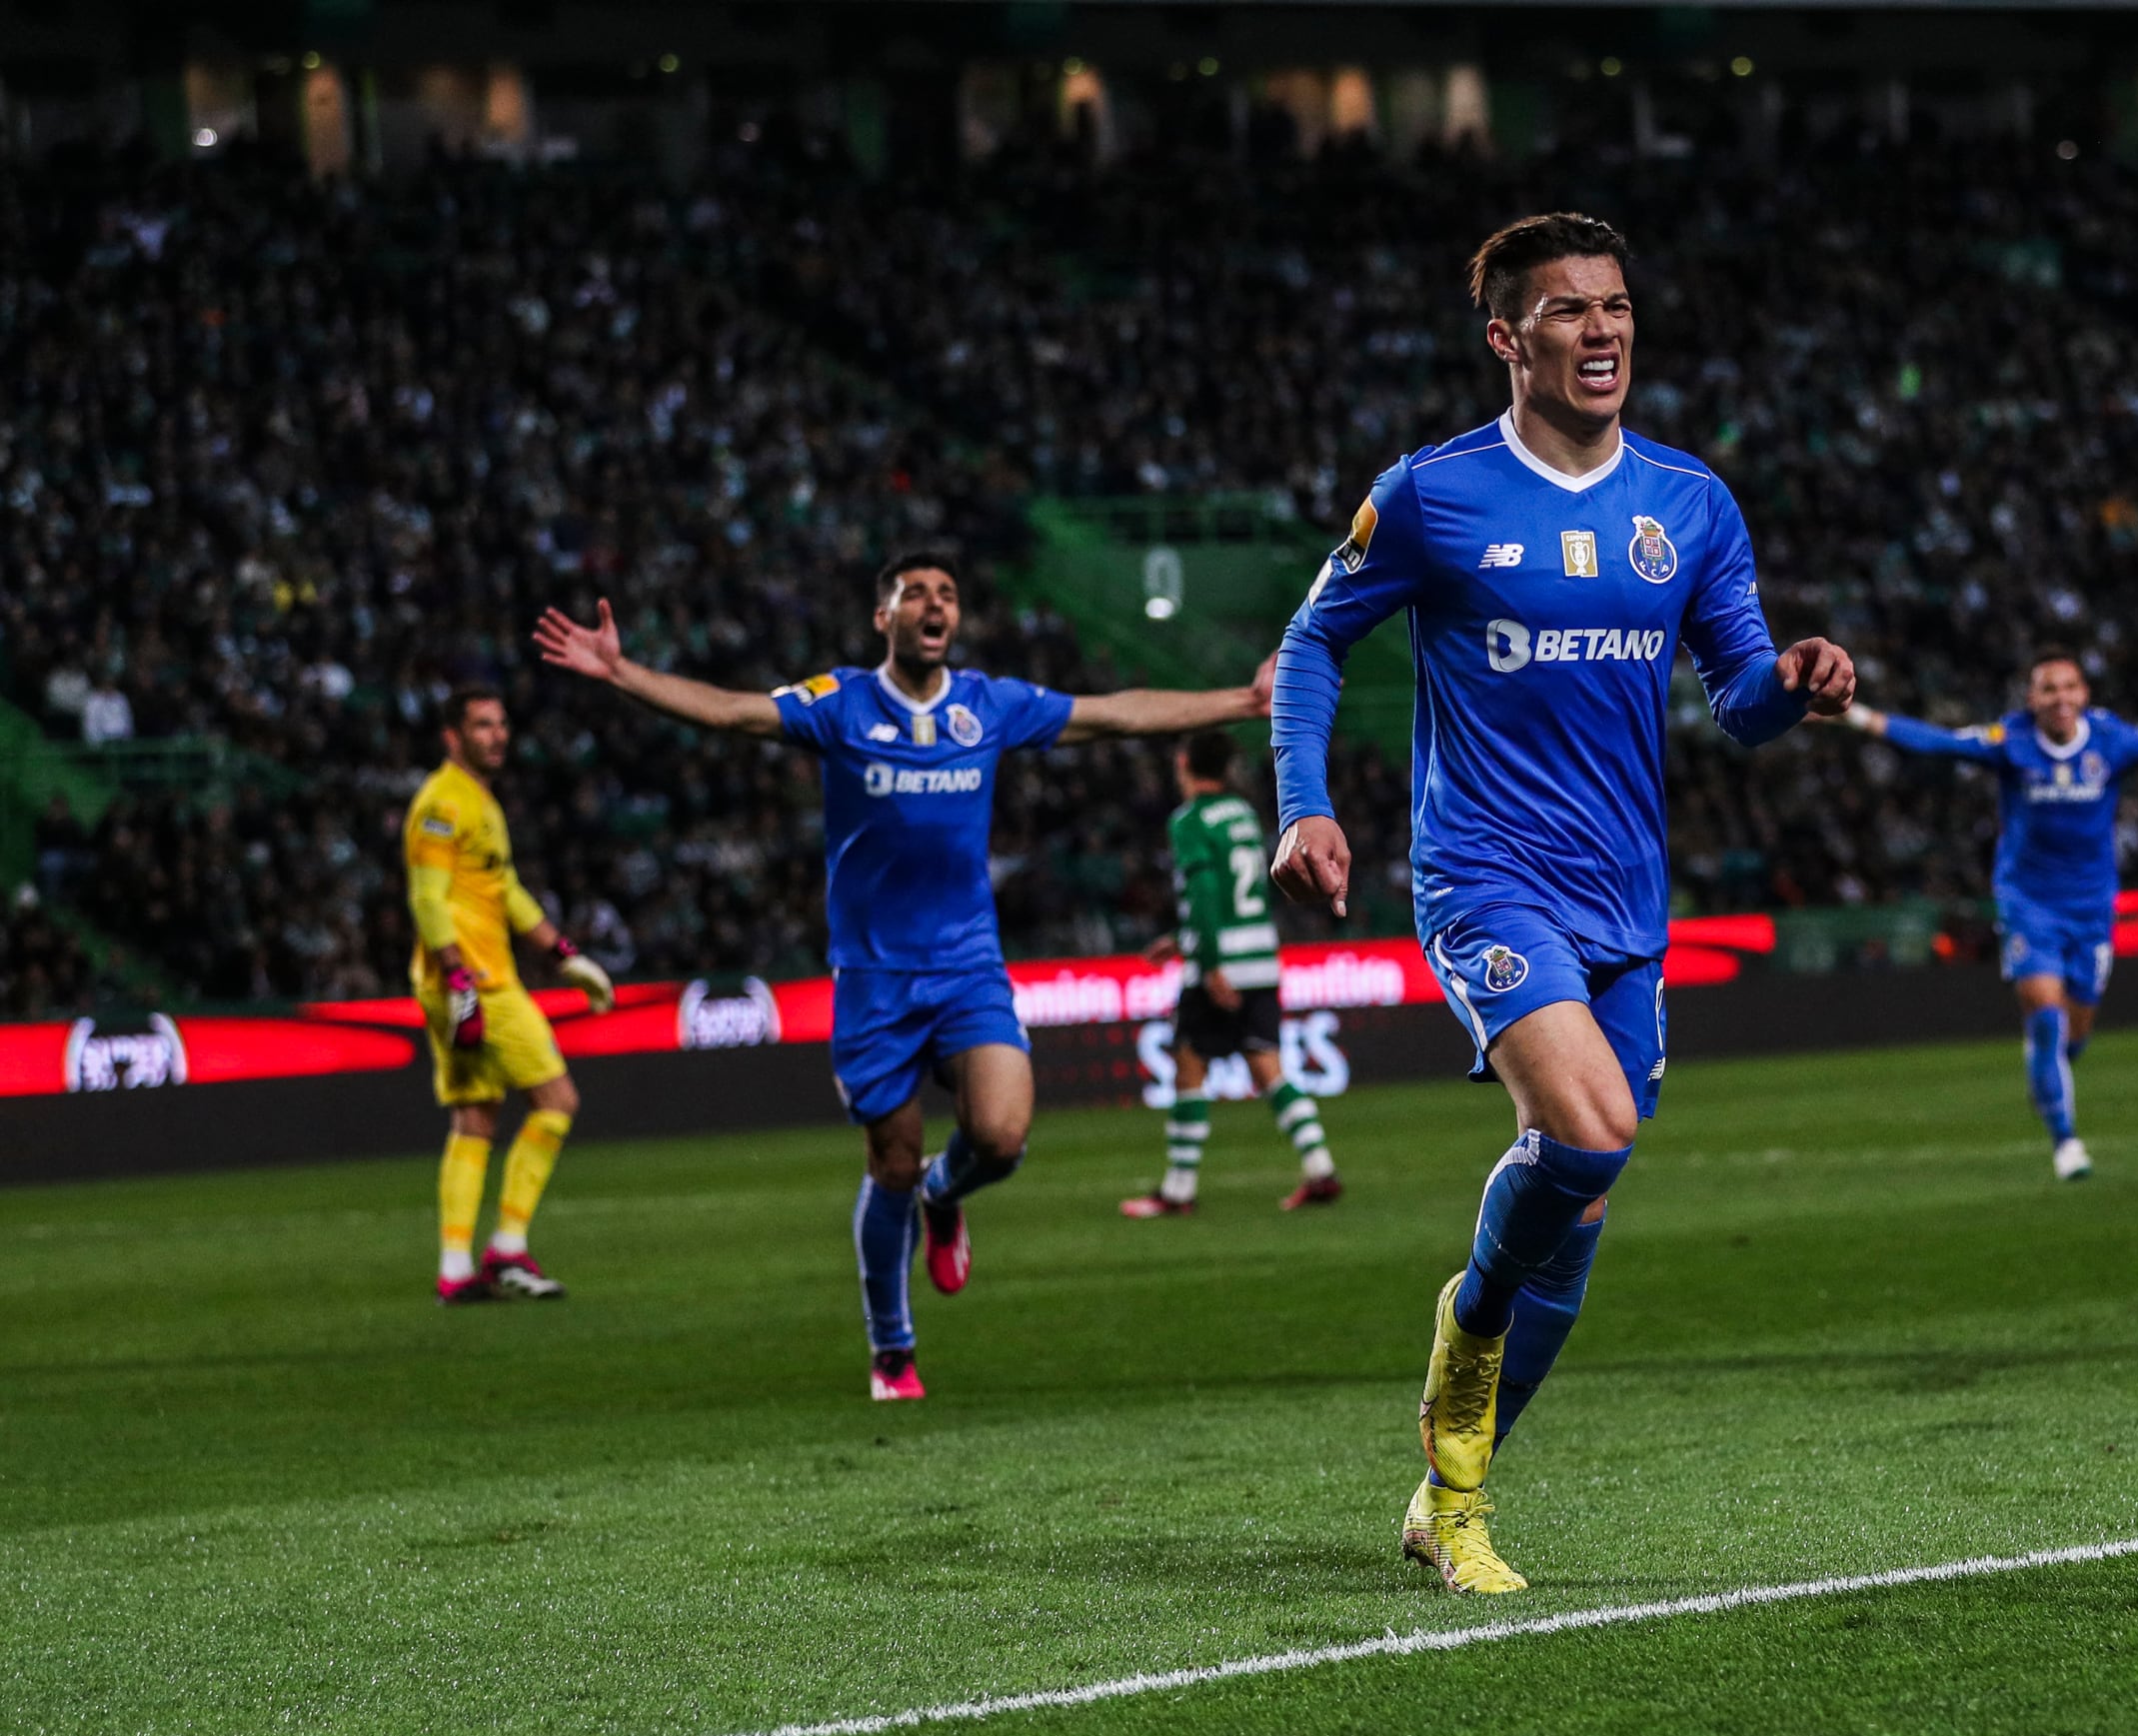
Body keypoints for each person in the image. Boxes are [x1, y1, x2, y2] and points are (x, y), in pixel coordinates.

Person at [1266, 212, 1857, 1593]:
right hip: (1486, 877)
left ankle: (1448, 1498)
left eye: (1617, 308)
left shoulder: (1692, 504)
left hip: (1624, 906)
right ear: (1506, 342)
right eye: (1569, 313)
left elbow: (1742, 699)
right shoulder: (1431, 494)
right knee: (1589, 1133)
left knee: (1576, 1228)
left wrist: (1800, 686)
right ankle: (1466, 1326)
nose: (1602, 332)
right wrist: (1305, 801)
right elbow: (1311, 642)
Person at [534, 551, 1268, 1400]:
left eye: (948, 594)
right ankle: (892, 1348)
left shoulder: (986, 705)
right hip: (874, 979)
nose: (934, 604)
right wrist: (622, 671)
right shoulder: (839, 703)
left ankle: (945, 1195)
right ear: (883, 617)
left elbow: (1114, 715)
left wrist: (1241, 701)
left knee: (999, 1135)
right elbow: (733, 714)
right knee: (890, 1161)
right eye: (914, 592)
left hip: (967, 968)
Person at [1837, 657, 2138, 1179]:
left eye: (2068, 687)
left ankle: (2048, 1074)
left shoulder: (2110, 739)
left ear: (2084, 692)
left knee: (2076, 1033)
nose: (2059, 698)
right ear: (2031, 699)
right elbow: (1937, 742)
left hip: (2092, 905)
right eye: (2047, 689)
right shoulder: (2010, 739)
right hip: (2028, 902)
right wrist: (1851, 715)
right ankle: (2066, 1143)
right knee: (2046, 1016)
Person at [403, 689, 616, 1304]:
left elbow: (506, 890)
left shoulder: (481, 803)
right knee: (556, 1099)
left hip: (472, 980)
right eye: (482, 726)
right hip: (477, 984)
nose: (497, 736)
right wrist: (459, 977)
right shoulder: (443, 803)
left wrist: (565, 956)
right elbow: (426, 897)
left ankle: (454, 1267)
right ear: (452, 736)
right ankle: (507, 1249)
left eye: (502, 724)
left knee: (475, 1118)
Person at [1121, 723, 1341, 1218]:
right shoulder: (1242, 814)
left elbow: (1204, 895)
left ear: (1184, 765)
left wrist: (1207, 962)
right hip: (1261, 958)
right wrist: (1181, 942)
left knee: (1188, 1062)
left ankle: (1178, 1190)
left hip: (1223, 963)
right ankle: (1321, 1167)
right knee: (1266, 1063)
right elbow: (1239, 896)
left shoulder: (1189, 821)